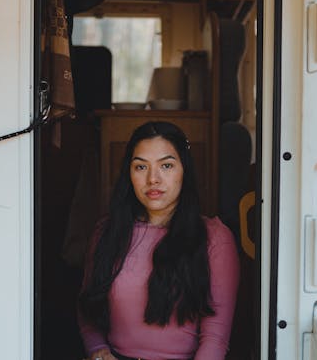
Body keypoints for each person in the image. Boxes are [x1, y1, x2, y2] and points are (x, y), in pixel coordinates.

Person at [78, 121, 240, 360]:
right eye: (141, 167)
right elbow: (88, 306)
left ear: (184, 170)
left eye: (166, 165)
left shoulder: (214, 238)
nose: (153, 179)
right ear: (129, 174)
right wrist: (97, 350)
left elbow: (215, 339)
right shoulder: (107, 232)